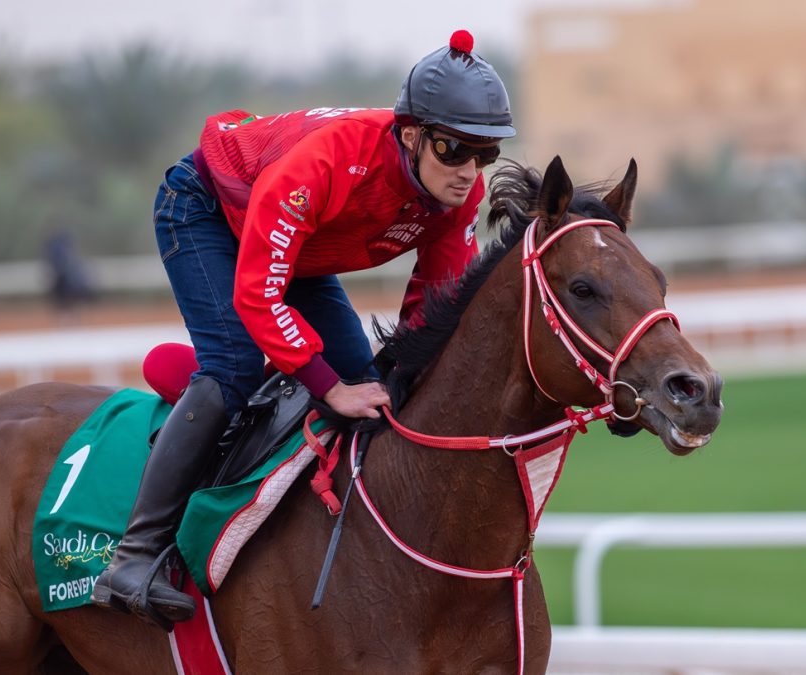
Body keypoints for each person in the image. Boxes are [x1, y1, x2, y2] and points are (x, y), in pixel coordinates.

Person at [91, 29, 515, 626]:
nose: (469, 171)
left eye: (485, 154)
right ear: (412, 135)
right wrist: (325, 383)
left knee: (372, 385)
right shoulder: (332, 159)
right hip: (208, 212)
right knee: (236, 368)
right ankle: (133, 557)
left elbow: (433, 309)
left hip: (302, 250)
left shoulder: (455, 198)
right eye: (453, 150)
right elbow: (258, 293)